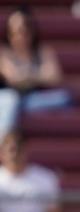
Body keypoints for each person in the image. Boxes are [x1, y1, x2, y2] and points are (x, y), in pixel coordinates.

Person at [0, 6, 70, 136]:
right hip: (14, 99)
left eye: (24, 30)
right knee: (10, 101)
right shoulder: (4, 54)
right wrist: (36, 75)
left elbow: (54, 77)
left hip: (35, 99)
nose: (20, 36)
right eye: (16, 31)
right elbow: (13, 78)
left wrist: (26, 76)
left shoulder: (43, 52)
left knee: (63, 98)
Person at [0, 130, 67, 212]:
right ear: (2, 153)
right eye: (10, 150)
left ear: (25, 150)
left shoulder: (45, 178)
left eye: (18, 149)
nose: (14, 155)